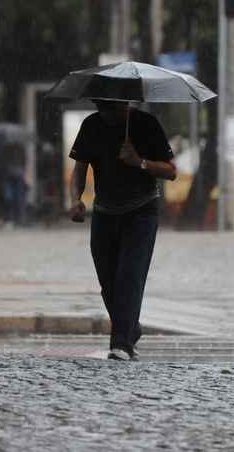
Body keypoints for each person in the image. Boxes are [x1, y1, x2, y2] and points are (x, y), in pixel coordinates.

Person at [68, 99, 176, 361]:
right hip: (104, 212)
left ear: (124, 103)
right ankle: (129, 327)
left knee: (130, 275)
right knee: (109, 282)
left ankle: (122, 344)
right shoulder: (91, 126)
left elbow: (171, 171)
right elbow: (80, 168)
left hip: (141, 212)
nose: (106, 112)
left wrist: (139, 162)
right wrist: (76, 199)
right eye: (100, 106)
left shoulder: (146, 124)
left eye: (111, 107)